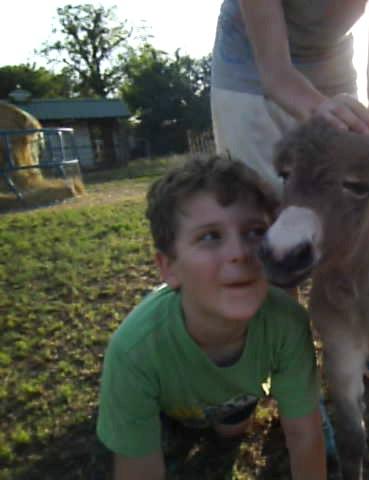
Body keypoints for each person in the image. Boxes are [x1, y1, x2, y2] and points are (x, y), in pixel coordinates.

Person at [96, 154, 326, 479]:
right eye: (209, 237)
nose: (239, 253)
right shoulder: (134, 351)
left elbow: (305, 436)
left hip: (232, 399)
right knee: (158, 442)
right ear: (168, 268)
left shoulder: (288, 323)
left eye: (255, 232)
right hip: (166, 405)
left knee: (231, 431)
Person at [210, 0, 369, 196]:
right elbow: (277, 76)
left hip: (333, 66)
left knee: (341, 197)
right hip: (251, 68)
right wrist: (323, 110)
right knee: (262, 203)